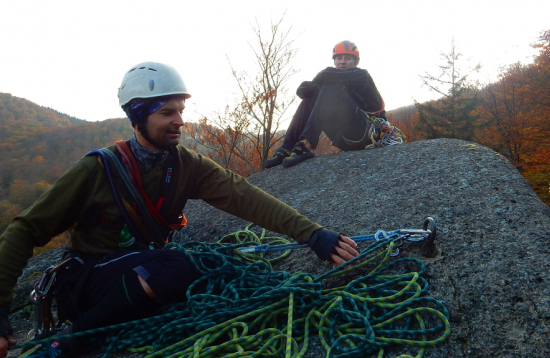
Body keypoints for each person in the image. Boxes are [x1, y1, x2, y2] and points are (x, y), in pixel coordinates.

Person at [0, 61, 359, 357]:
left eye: (181, 111)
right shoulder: (98, 170)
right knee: (180, 264)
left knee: (211, 270)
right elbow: (25, 229)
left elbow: (245, 196)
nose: (179, 121)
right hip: (88, 281)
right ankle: (69, 342)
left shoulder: (185, 165)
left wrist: (312, 234)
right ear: (137, 116)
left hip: (140, 269)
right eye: (167, 112)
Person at [265, 40, 386, 169]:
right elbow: (302, 91)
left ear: (356, 62)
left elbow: (326, 75)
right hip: (344, 136)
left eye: (348, 58)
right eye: (339, 58)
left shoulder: (361, 76)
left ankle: (307, 145)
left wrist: (322, 77)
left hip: (367, 135)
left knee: (328, 88)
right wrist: (319, 82)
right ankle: (287, 147)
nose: (342, 61)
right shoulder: (332, 78)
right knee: (312, 96)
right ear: (334, 61)